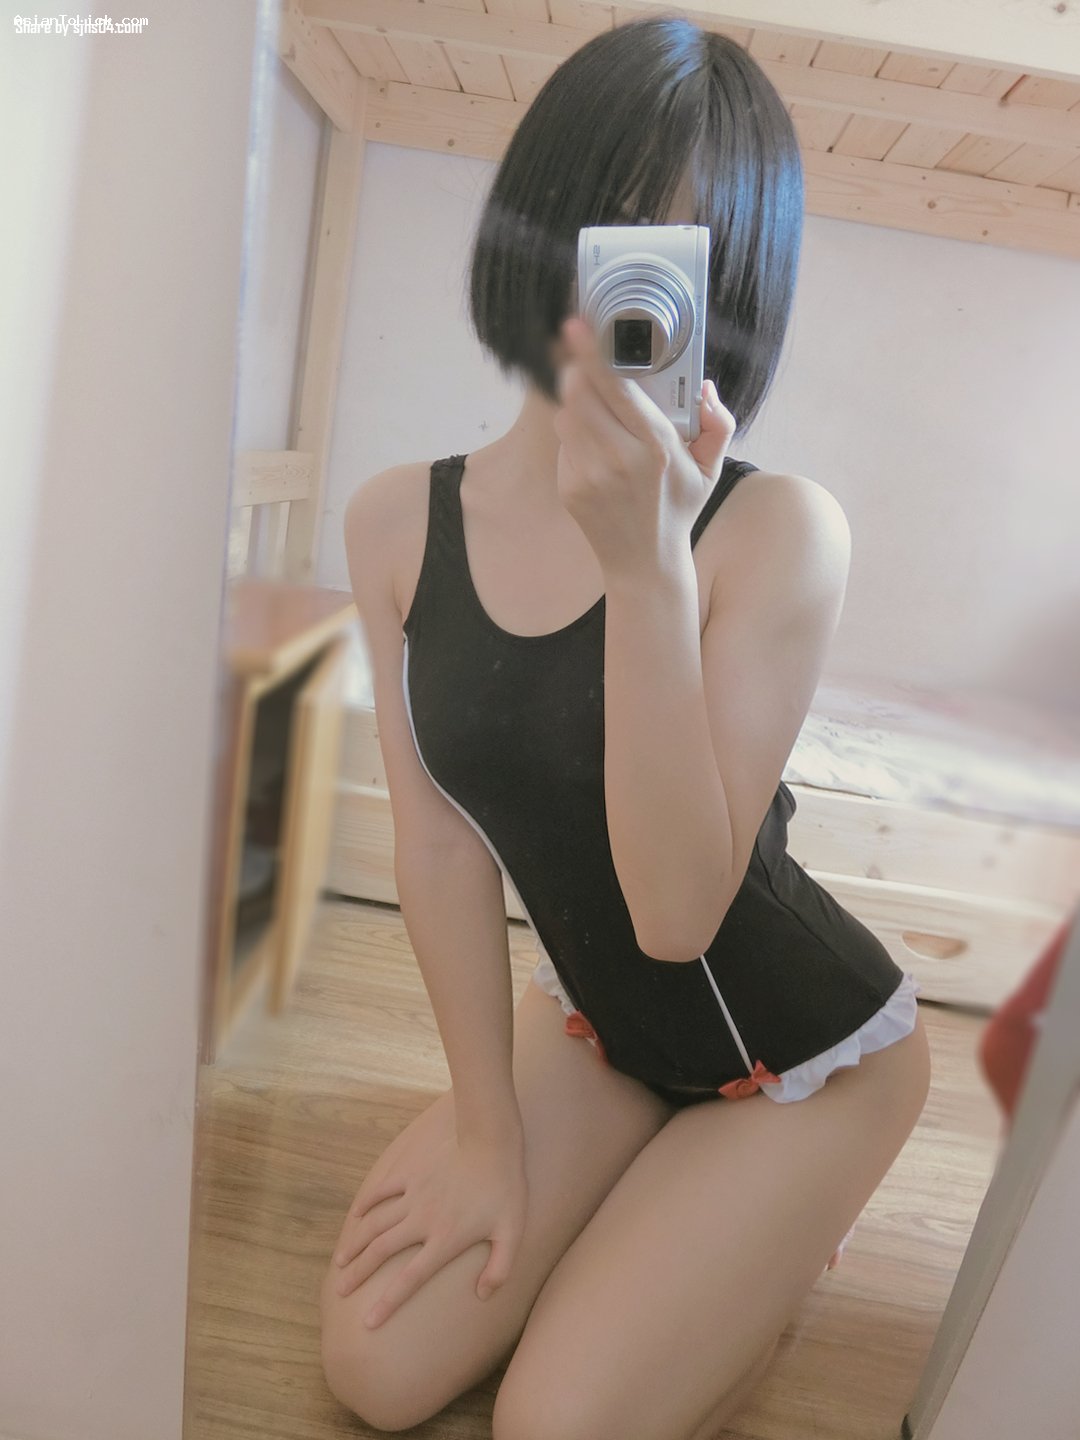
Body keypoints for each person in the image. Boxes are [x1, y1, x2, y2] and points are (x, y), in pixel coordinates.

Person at [321, 15, 932, 1437]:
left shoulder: (781, 532)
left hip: (802, 1060)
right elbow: (440, 852)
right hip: (598, 1031)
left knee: (554, 1424)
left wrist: (648, 566)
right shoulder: (396, 523)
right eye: (605, 229)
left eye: (683, 256)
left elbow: (676, 914)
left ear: (732, 292)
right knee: (375, 1371)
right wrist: (486, 1132)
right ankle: (668, 1208)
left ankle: (768, 1247)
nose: (625, 297)